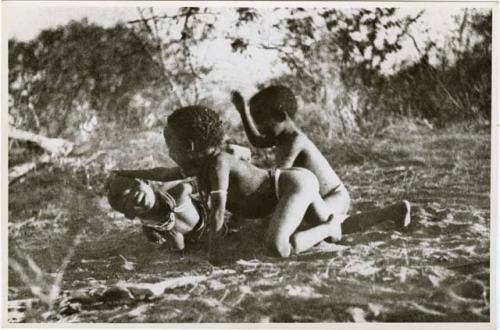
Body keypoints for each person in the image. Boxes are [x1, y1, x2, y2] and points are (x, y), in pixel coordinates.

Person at [111, 105, 410, 259]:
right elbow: (163, 174)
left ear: (189, 147)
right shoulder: (203, 164)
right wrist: (127, 173)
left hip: (291, 186)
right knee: (330, 231)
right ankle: (391, 213)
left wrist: (215, 252)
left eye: (170, 145)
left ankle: (329, 226)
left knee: (278, 246)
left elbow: (217, 210)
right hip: (292, 186)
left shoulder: (216, 164)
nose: (169, 153)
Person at [230, 86, 411, 234]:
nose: (259, 127)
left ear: (280, 116)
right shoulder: (280, 137)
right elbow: (257, 141)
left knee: (333, 226)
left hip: (333, 196)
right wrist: (242, 112)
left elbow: (278, 180)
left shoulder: (294, 141)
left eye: (261, 119)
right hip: (314, 197)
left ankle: (392, 211)